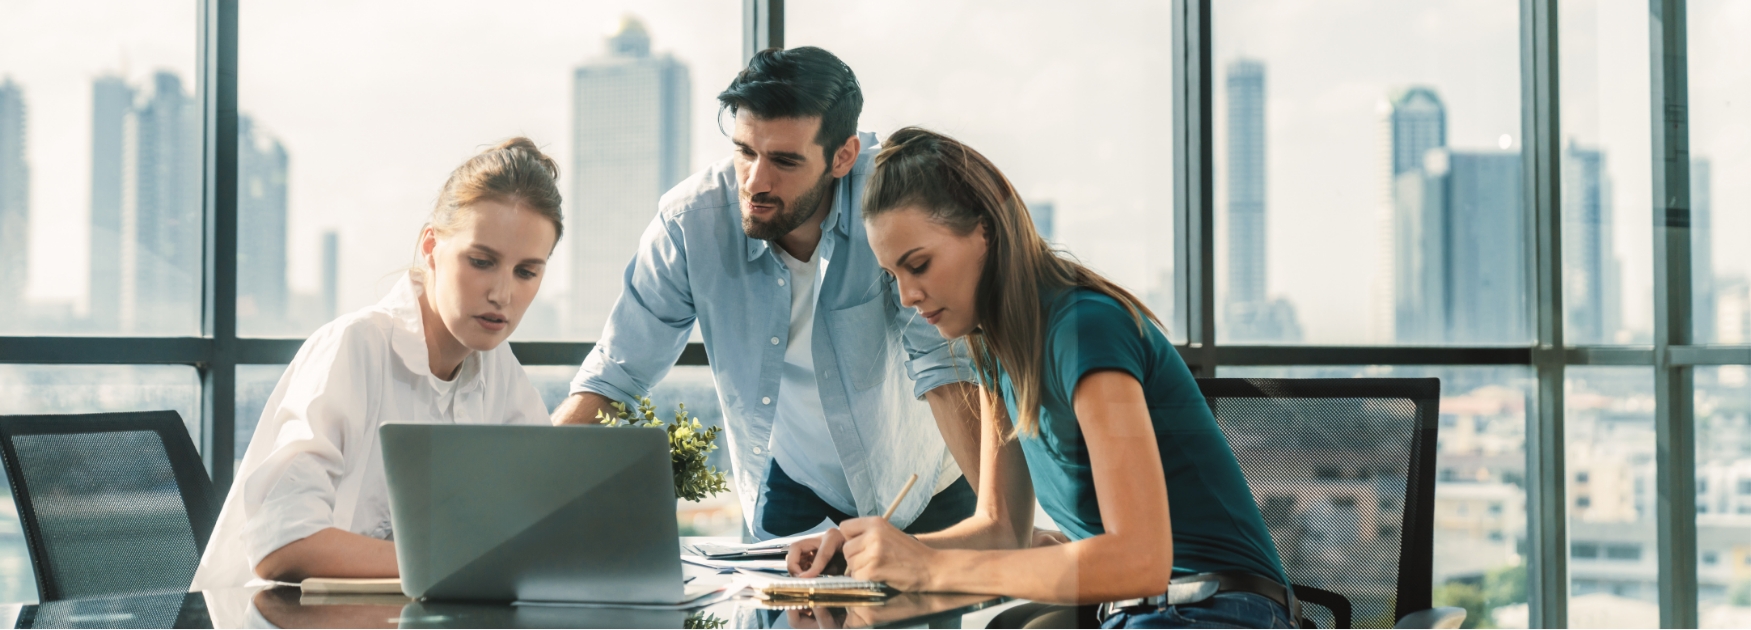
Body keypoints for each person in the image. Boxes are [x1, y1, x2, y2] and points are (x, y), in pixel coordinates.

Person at [788, 128, 1296, 629]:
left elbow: (1141, 558)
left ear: (984, 229)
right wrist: (874, 554)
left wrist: (930, 567)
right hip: (1145, 611)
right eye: (892, 276)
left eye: (918, 265)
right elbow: (1000, 530)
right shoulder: (995, 348)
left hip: (1216, 610)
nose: (907, 296)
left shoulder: (1085, 329)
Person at [551, 47, 991, 540]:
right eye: (745, 151)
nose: (755, 181)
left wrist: (999, 525)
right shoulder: (689, 224)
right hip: (796, 487)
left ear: (843, 156)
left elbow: (945, 368)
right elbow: (616, 375)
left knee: (908, 616)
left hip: (923, 483)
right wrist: (527, 503)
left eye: (784, 160)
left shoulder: (889, 202)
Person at [191, 138, 562, 589]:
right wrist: (458, 562)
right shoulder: (354, 347)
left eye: (527, 272)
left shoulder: (498, 369)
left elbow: (545, 518)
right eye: (482, 261)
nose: (503, 294)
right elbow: (282, 543)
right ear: (431, 247)